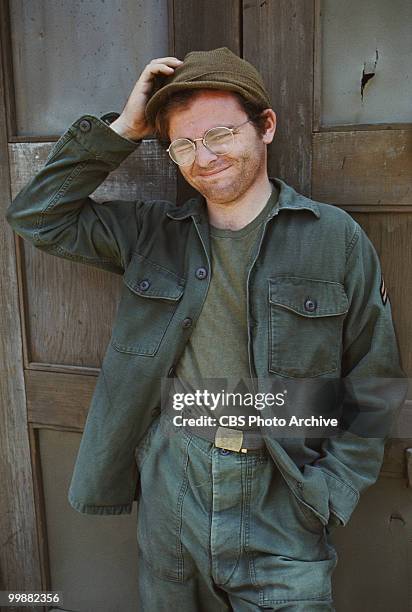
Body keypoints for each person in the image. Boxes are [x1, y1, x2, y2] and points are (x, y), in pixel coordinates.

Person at [6, 47, 407, 611]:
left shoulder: (333, 238)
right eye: (185, 143)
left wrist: (330, 491)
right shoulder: (152, 234)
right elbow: (36, 215)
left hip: (282, 494)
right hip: (174, 485)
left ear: (265, 126)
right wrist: (124, 128)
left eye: (219, 133)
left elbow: (376, 380)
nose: (204, 156)